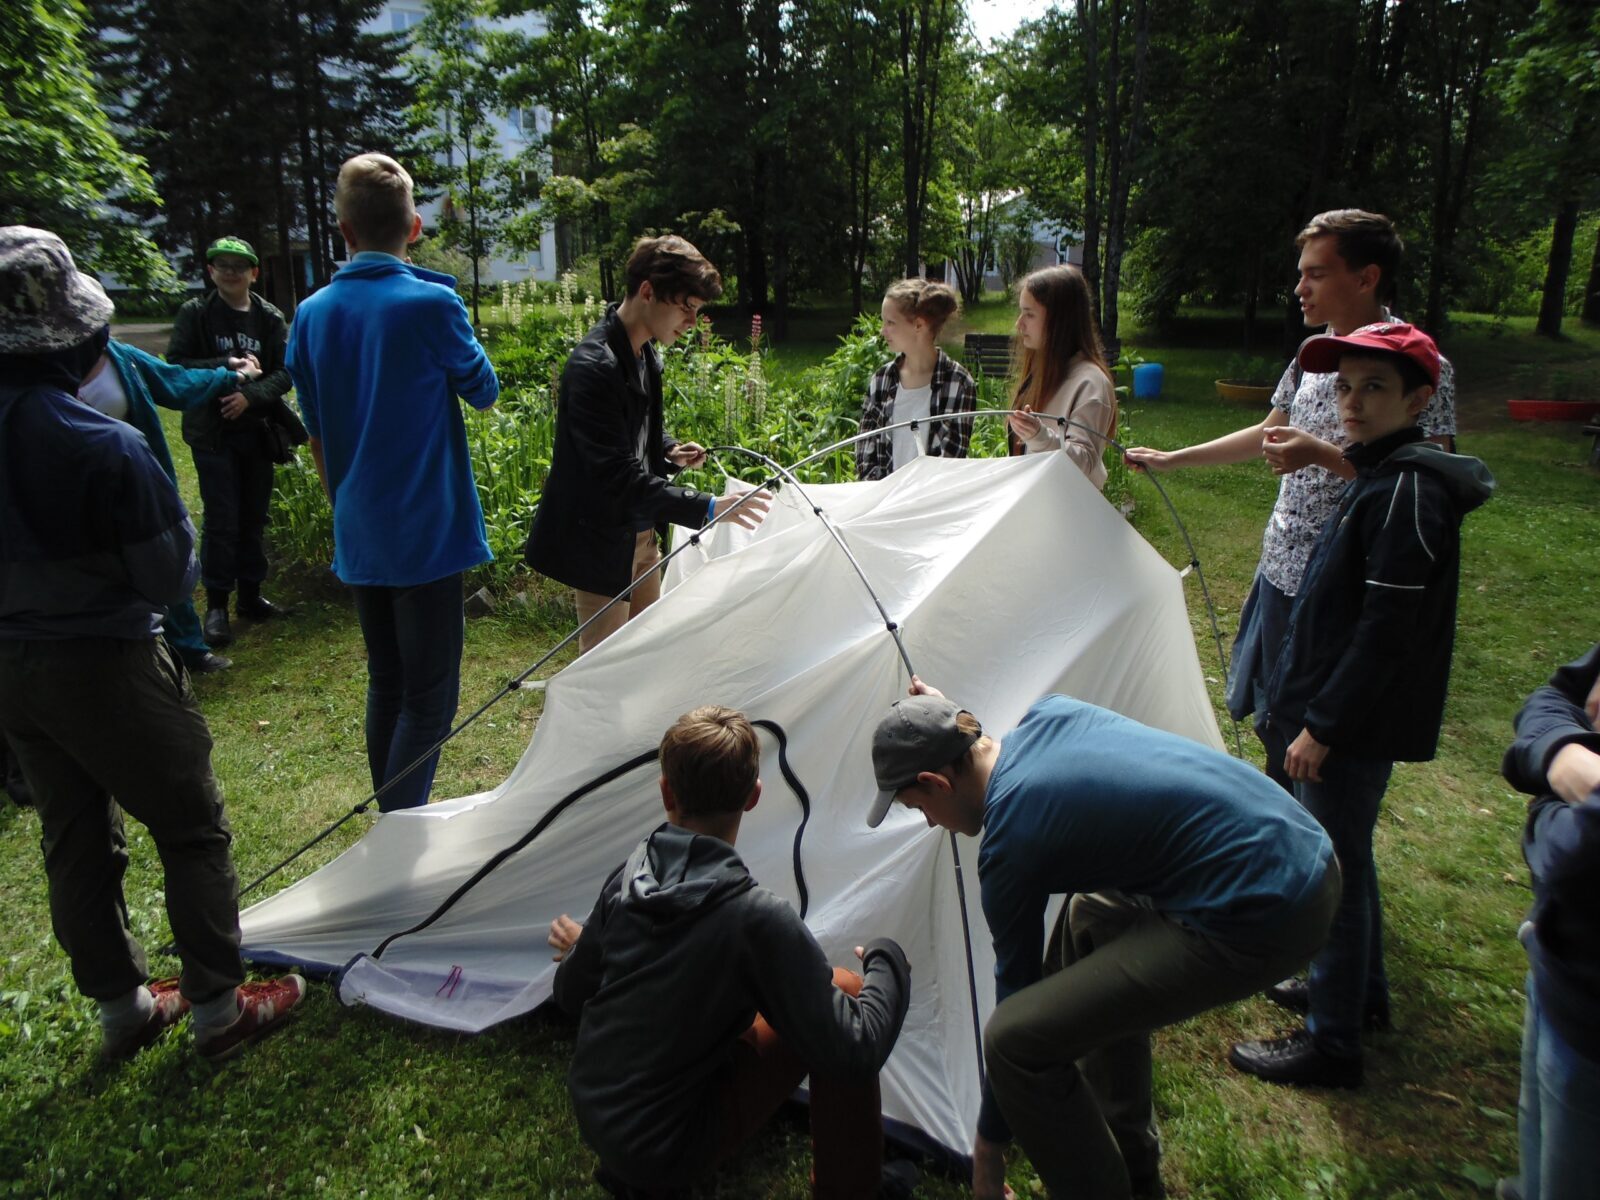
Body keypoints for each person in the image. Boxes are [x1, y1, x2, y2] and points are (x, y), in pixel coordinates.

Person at [0, 225, 305, 1062]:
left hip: (12, 671)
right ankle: (217, 1008)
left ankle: (122, 1007)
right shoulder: (106, 446)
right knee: (191, 826)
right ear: (77, 338)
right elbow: (172, 576)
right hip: (105, 658)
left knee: (72, 833)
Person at [867, 679, 1338, 1200]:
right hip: (1304, 846)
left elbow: (1015, 1001)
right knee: (1090, 918)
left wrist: (988, 1151)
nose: (932, 823)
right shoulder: (1051, 714)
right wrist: (939, 716)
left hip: (1270, 911)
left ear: (937, 782)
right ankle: (1135, 1173)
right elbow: (963, 739)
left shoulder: (1009, 846)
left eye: (918, 807)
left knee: (1014, 1043)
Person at [1228, 322, 1493, 1088]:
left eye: (1374, 388)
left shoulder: (1409, 489)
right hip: (1338, 713)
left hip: (1349, 725)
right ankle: (1359, 993)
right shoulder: (1380, 474)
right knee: (1351, 858)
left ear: (1419, 398)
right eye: (1343, 386)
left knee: (1332, 872)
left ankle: (1333, 1042)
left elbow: (1386, 632)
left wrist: (1323, 726)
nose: (1350, 402)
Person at [1123, 210, 1457, 791]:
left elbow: (1427, 479)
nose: (1299, 287)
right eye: (1300, 273)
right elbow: (1268, 433)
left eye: (1316, 273)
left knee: (1328, 753)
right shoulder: (1312, 353)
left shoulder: (1418, 366)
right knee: (1274, 725)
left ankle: (1323, 858)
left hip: (1345, 591)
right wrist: (1173, 459)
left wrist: (1321, 455)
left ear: (1366, 277)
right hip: (1281, 572)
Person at [548, 706, 912, 1197]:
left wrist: (585, 949)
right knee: (844, 989)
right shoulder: (754, 918)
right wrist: (888, 960)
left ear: (665, 792)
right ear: (754, 797)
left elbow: (572, 992)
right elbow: (854, 1051)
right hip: (666, 1150)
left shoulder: (630, 875)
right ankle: (851, 1189)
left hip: (598, 1118)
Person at [286, 153, 499, 812]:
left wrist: (341, 505)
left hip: (361, 526)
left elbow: (316, 429)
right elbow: (484, 390)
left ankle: (390, 829)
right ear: (413, 226)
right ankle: (396, 841)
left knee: (388, 681)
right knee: (431, 699)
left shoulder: (311, 313)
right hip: (427, 532)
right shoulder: (432, 302)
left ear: (344, 233)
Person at [524, 235, 770, 654]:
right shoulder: (593, 366)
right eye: (686, 307)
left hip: (640, 533)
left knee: (642, 656)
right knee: (604, 668)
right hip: (601, 538)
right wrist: (707, 507)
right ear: (647, 291)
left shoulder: (644, 354)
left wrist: (668, 450)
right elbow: (613, 475)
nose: (693, 322)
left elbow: (630, 435)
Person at [78, 336, 260, 673]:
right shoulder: (31, 369)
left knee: (164, 558)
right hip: (75, 494)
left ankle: (189, 650)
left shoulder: (121, 356)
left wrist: (233, 375)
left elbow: (176, 382)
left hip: (137, 484)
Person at [1498, 645, 1600, 1200]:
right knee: (1534, 1139)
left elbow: (1572, 853)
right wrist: (1564, 755)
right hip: (1556, 961)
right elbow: (1553, 696)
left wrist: (1544, 804)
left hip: (1592, 1011)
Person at [167, 236, 298, 650]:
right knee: (222, 519)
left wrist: (249, 397)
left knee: (253, 517)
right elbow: (177, 365)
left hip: (257, 434)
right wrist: (227, 368)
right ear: (210, 271)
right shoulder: (196, 314)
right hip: (212, 434)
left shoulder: (269, 318)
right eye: (221, 265)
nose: (230, 272)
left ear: (253, 273)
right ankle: (217, 607)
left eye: (239, 266)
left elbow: (285, 372)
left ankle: (251, 596)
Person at [1005, 264, 1118, 491]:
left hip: (1068, 516)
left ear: (1060, 320)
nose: (1019, 324)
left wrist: (1039, 436)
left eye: (1029, 314)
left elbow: (1084, 462)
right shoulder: (1045, 370)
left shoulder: (1091, 383)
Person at [855, 278, 977, 481]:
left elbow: (950, 459)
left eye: (890, 323)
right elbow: (865, 454)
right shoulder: (881, 380)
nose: (882, 330)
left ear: (919, 325)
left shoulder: (958, 383)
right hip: (882, 503)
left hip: (929, 505)